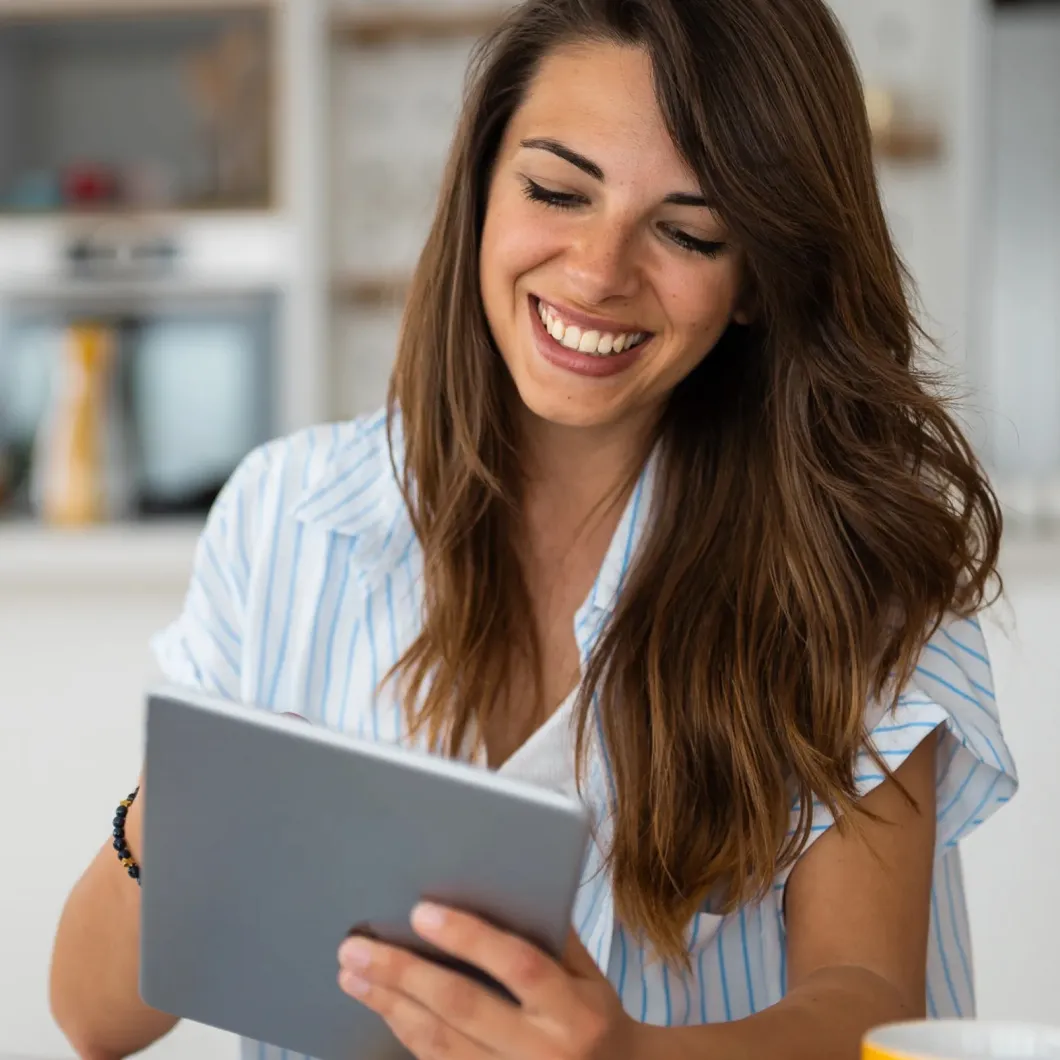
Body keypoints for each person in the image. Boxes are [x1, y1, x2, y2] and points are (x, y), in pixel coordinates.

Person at [50, 0, 1018, 1057]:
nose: (599, 272)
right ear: (478, 191)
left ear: (756, 279)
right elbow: (96, 1016)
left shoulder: (847, 571)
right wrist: (201, 793)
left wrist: (629, 1056)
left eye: (688, 231)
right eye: (557, 190)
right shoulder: (289, 514)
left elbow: (870, 1000)